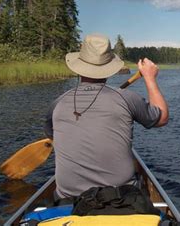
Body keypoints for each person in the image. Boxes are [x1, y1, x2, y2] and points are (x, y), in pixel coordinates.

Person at [44, 33, 169, 199]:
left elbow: (52, 136)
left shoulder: (57, 104)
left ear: (78, 67)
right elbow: (162, 118)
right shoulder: (126, 98)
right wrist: (149, 78)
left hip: (67, 199)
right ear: (109, 68)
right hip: (120, 197)